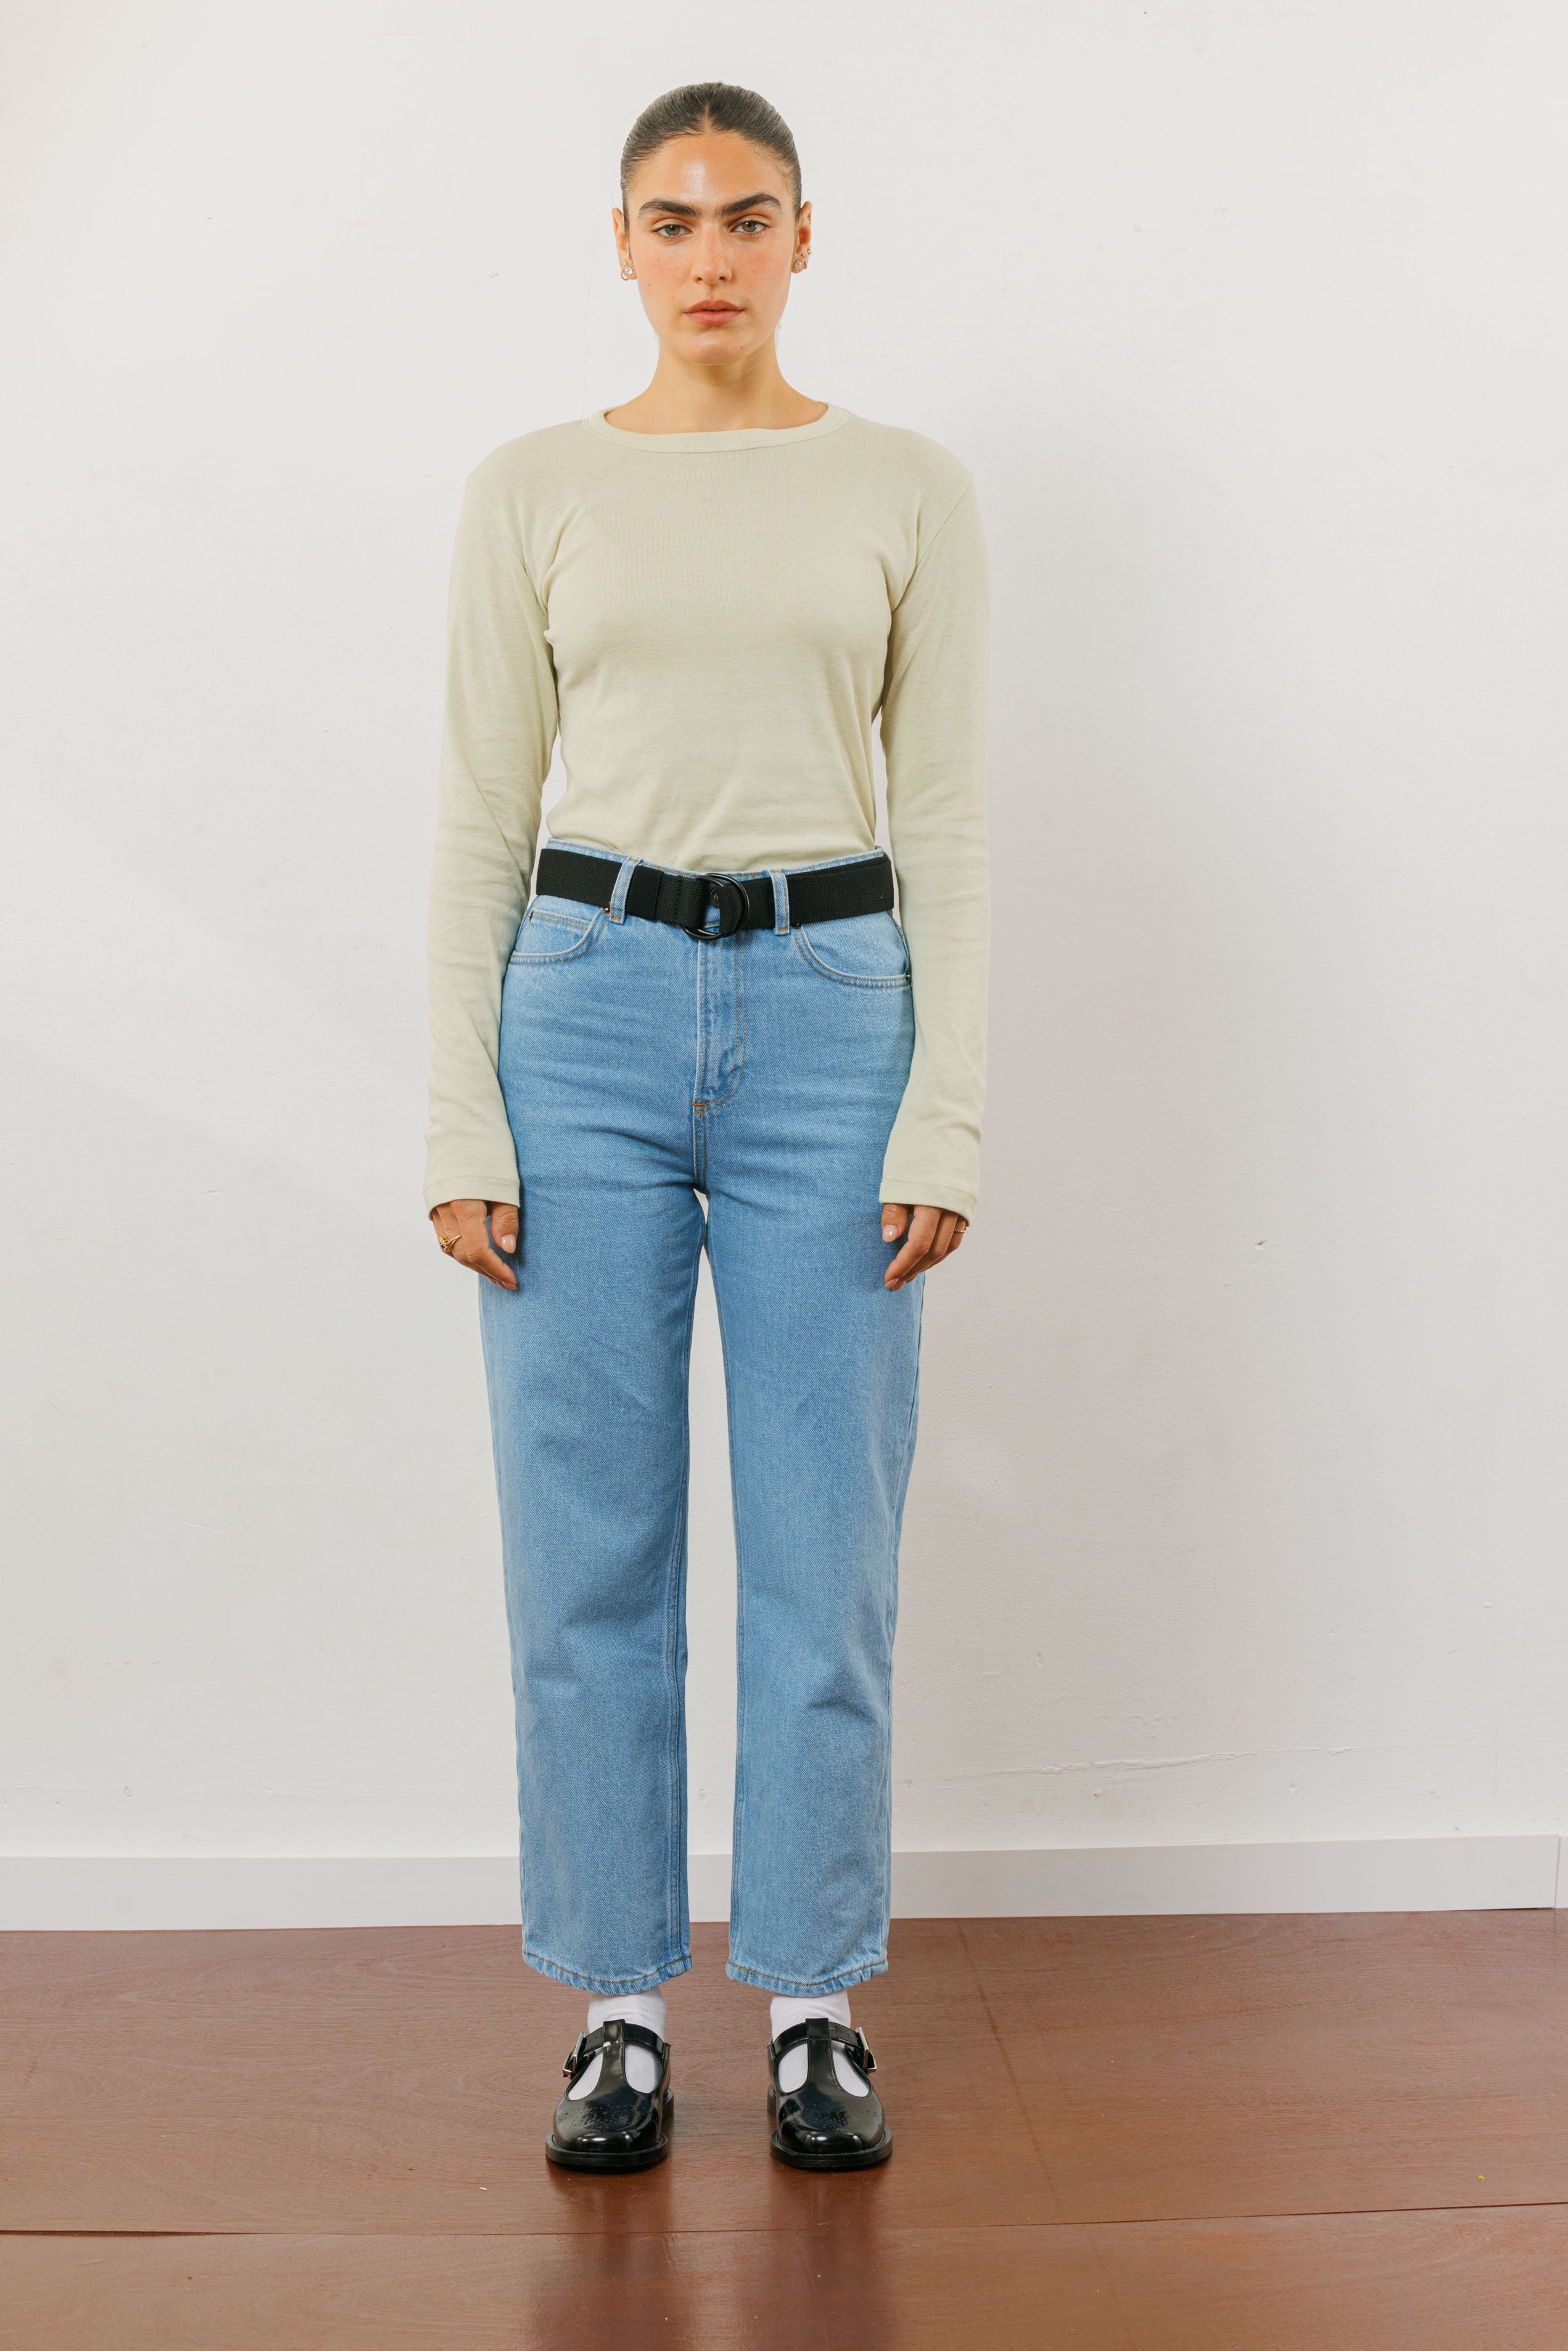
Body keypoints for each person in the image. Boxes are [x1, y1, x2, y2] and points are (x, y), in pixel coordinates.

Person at [423, 80, 989, 2173]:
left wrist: (947, 1111)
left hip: (836, 1020)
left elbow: (947, 820)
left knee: (826, 1549)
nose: (712, 256)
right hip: (578, 1017)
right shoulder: (533, 488)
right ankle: (620, 2012)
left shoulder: (907, 487)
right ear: (623, 243)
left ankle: (818, 2004)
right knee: (587, 1545)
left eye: (748, 217)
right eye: (673, 221)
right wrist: (457, 1112)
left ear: (805, 236)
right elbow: (481, 816)